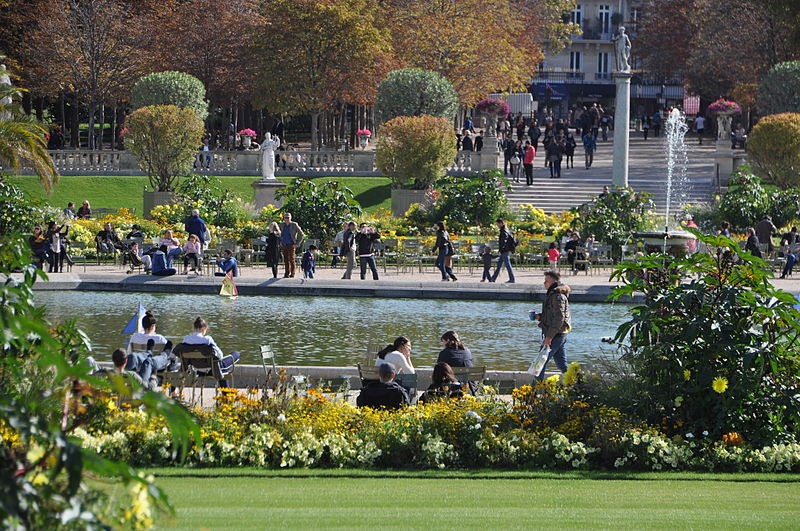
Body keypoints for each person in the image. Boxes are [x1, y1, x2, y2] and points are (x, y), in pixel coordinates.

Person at [176, 317, 240, 388]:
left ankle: (225, 394)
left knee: (222, 369)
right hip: (212, 369)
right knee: (236, 354)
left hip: (197, 369)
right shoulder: (207, 340)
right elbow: (220, 355)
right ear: (203, 329)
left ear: (193, 328)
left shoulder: (186, 339)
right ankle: (226, 394)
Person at [531, 271, 571, 380]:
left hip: (556, 335)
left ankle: (533, 391)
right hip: (558, 334)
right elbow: (551, 315)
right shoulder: (553, 294)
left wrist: (549, 337)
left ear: (554, 281)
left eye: (546, 281)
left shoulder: (558, 297)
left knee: (540, 362)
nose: (544, 283)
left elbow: (559, 318)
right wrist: (539, 317)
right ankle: (579, 384)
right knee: (562, 365)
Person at [490, 219, 516, 283]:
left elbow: (503, 241)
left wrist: (501, 249)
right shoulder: (506, 229)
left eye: (497, 224)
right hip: (504, 250)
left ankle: (512, 279)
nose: (497, 225)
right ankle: (493, 278)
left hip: (504, 250)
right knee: (499, 265)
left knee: (508, 265)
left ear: (501, 223)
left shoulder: (503, 231)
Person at [280, 212, 305, 278]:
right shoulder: (282, 225)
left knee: (291, 259)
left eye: (288, 217)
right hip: (284, 244)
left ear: (290, 218)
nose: (287, 219)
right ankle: (286, 273)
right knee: (285, 260)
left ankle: (292, 273)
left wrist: (297, 243)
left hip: (291, 244)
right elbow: (278, 233)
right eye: (285, 218)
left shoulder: (294, 225)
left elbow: (301, 234)